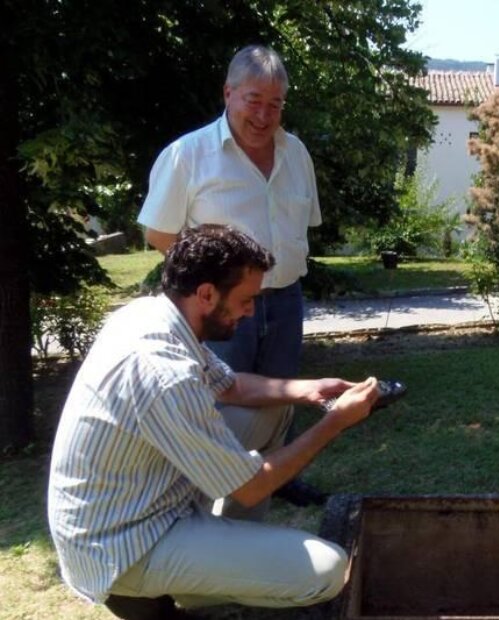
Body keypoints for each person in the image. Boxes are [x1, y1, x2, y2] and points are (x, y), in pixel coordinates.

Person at [48, 225, 380, 618]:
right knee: (329, 570)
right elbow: (253, 487)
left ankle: (219, 560)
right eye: (246, 299)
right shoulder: (164, 374)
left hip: (142, 499)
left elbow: (232, 386)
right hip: (122, 547)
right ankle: (174, 587)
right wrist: (336, 421)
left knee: (275, 408)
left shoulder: (152, 316)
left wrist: (310, 388)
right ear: (206, 294)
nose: (251, 311)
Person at [137, 44, 325, 506]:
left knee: (281, 393)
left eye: (275, 104)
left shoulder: (296, 153)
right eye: (253, 100)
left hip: (285, 297)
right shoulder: (188, 154)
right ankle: (214, 487)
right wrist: (214, 283)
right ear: (228, 93)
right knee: (220, 399)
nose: (263, 115)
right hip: (219, 304)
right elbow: (158, 233)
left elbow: (303, 225)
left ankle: (278, 477)